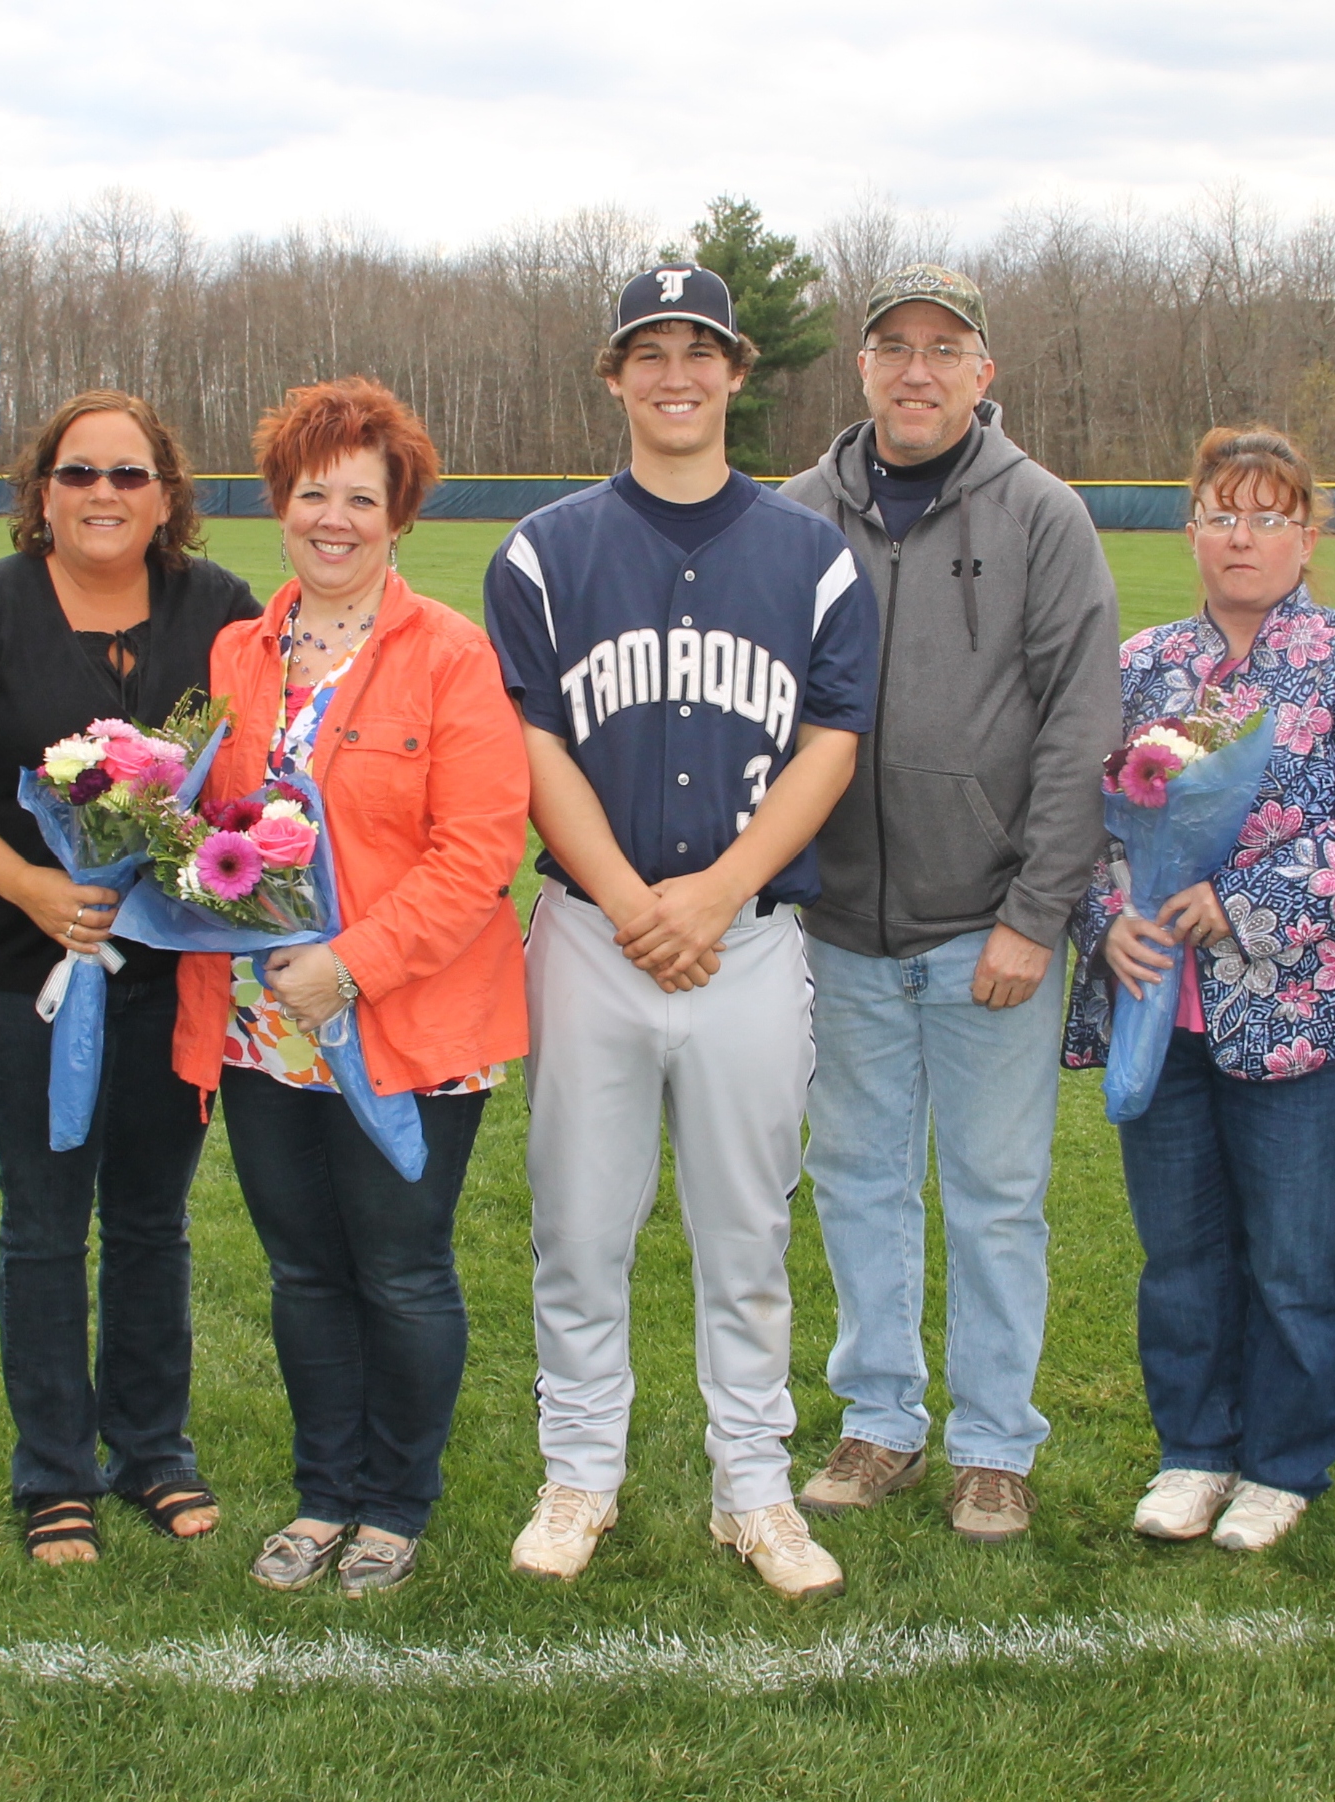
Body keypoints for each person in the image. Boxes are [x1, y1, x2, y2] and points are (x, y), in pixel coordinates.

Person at [484, 264, 880, 1599]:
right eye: (647, 352)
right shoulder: (542, 551)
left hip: (749, 941)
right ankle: (578, 1473)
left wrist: (715, 891)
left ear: (735, 371)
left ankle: (751, 1487)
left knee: (746, 1236)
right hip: (589, 935)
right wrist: (630, 897)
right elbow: (531, 740)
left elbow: (832, 740)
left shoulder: (812, 555)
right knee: (578, 1227)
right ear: (613, 375)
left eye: (697, 351)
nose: (674, 374)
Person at [774, 264, 1117, 1543]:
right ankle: (878, 1420)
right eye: (892, 346)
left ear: (983, 371)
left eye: (942, 347)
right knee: (856, 1179)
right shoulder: (796, 513)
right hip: (834, 925)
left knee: (993, 1194)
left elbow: (1080, 722)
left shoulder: (1040, 513)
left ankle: (991, 1443)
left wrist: (1036, 911)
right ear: (860, 366)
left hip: (987, 926)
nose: (915, 370)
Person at [171, 376, 529, 1599]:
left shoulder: (451, 657)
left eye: (360, 498)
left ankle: (394, 1503)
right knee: (303, 1268)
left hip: (406, 1015)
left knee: (401, 1266)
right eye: (311, 493)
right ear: (279, 502)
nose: (333, 519)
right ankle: (323, 1490)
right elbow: (208, 821)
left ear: (398, 515)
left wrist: (349, 965)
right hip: (263, 1025)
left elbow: (478, 851)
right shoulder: (237, 651)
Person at [0, 391, 258, 1564]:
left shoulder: (218, 608)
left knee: (151, 1216)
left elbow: (250, 773)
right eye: (79, 472)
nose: (104, 492)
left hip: (173, 969)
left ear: (166, 495)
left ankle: (151, 1447)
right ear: (40, 491)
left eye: (128, 474)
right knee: (45, 1217)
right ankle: (53, 1467)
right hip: (23, 967)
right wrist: (32, 887)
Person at [1067, 427, 1335, 1551]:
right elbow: (1076, 819)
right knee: (1181, 1256)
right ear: (1189, 528)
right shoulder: (1142, 667)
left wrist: (1244, 901)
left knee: (1292, 1261)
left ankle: (1281, 1463)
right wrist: (1104, 919)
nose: (1241, 536)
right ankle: (1192, 1449)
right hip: (1163, 1014)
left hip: (1313, 1019)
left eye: (1268, 516)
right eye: (1219, 514)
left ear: (1307, 535)